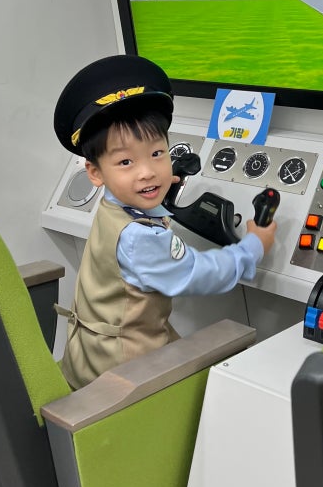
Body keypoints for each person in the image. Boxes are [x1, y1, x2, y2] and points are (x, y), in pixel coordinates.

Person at [53, 54, 277, 388]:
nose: (147, 172)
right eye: (126, 162)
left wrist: (155, 192)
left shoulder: (114, 204)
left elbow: (136, 196)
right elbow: (199, 274)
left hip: (88, 356)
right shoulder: (140, 238)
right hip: (123, 379)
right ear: (95, 172)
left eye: (157, 154)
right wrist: (253, 247)